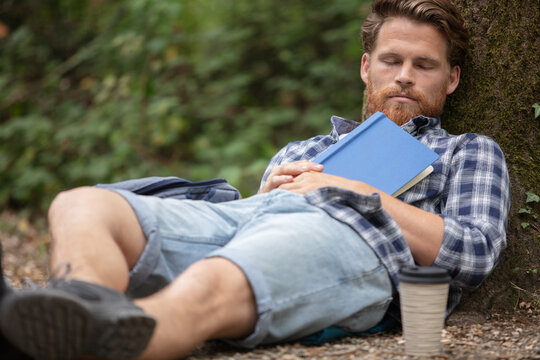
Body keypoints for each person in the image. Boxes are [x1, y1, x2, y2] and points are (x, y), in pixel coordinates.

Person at [0, 0, 510, 359]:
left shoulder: (468, 151)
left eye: (424, 66)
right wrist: (267, 194)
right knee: (80, 205)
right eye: (391, 60)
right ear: (365, 68)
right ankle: (77, 309)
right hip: (248, 221)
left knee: (212, 280)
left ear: (451, 78)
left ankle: (78, 339)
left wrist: (361, 193)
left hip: (354, 245)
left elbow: (474, 253)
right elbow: (247, 222)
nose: (404, 76)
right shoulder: (303, 150)